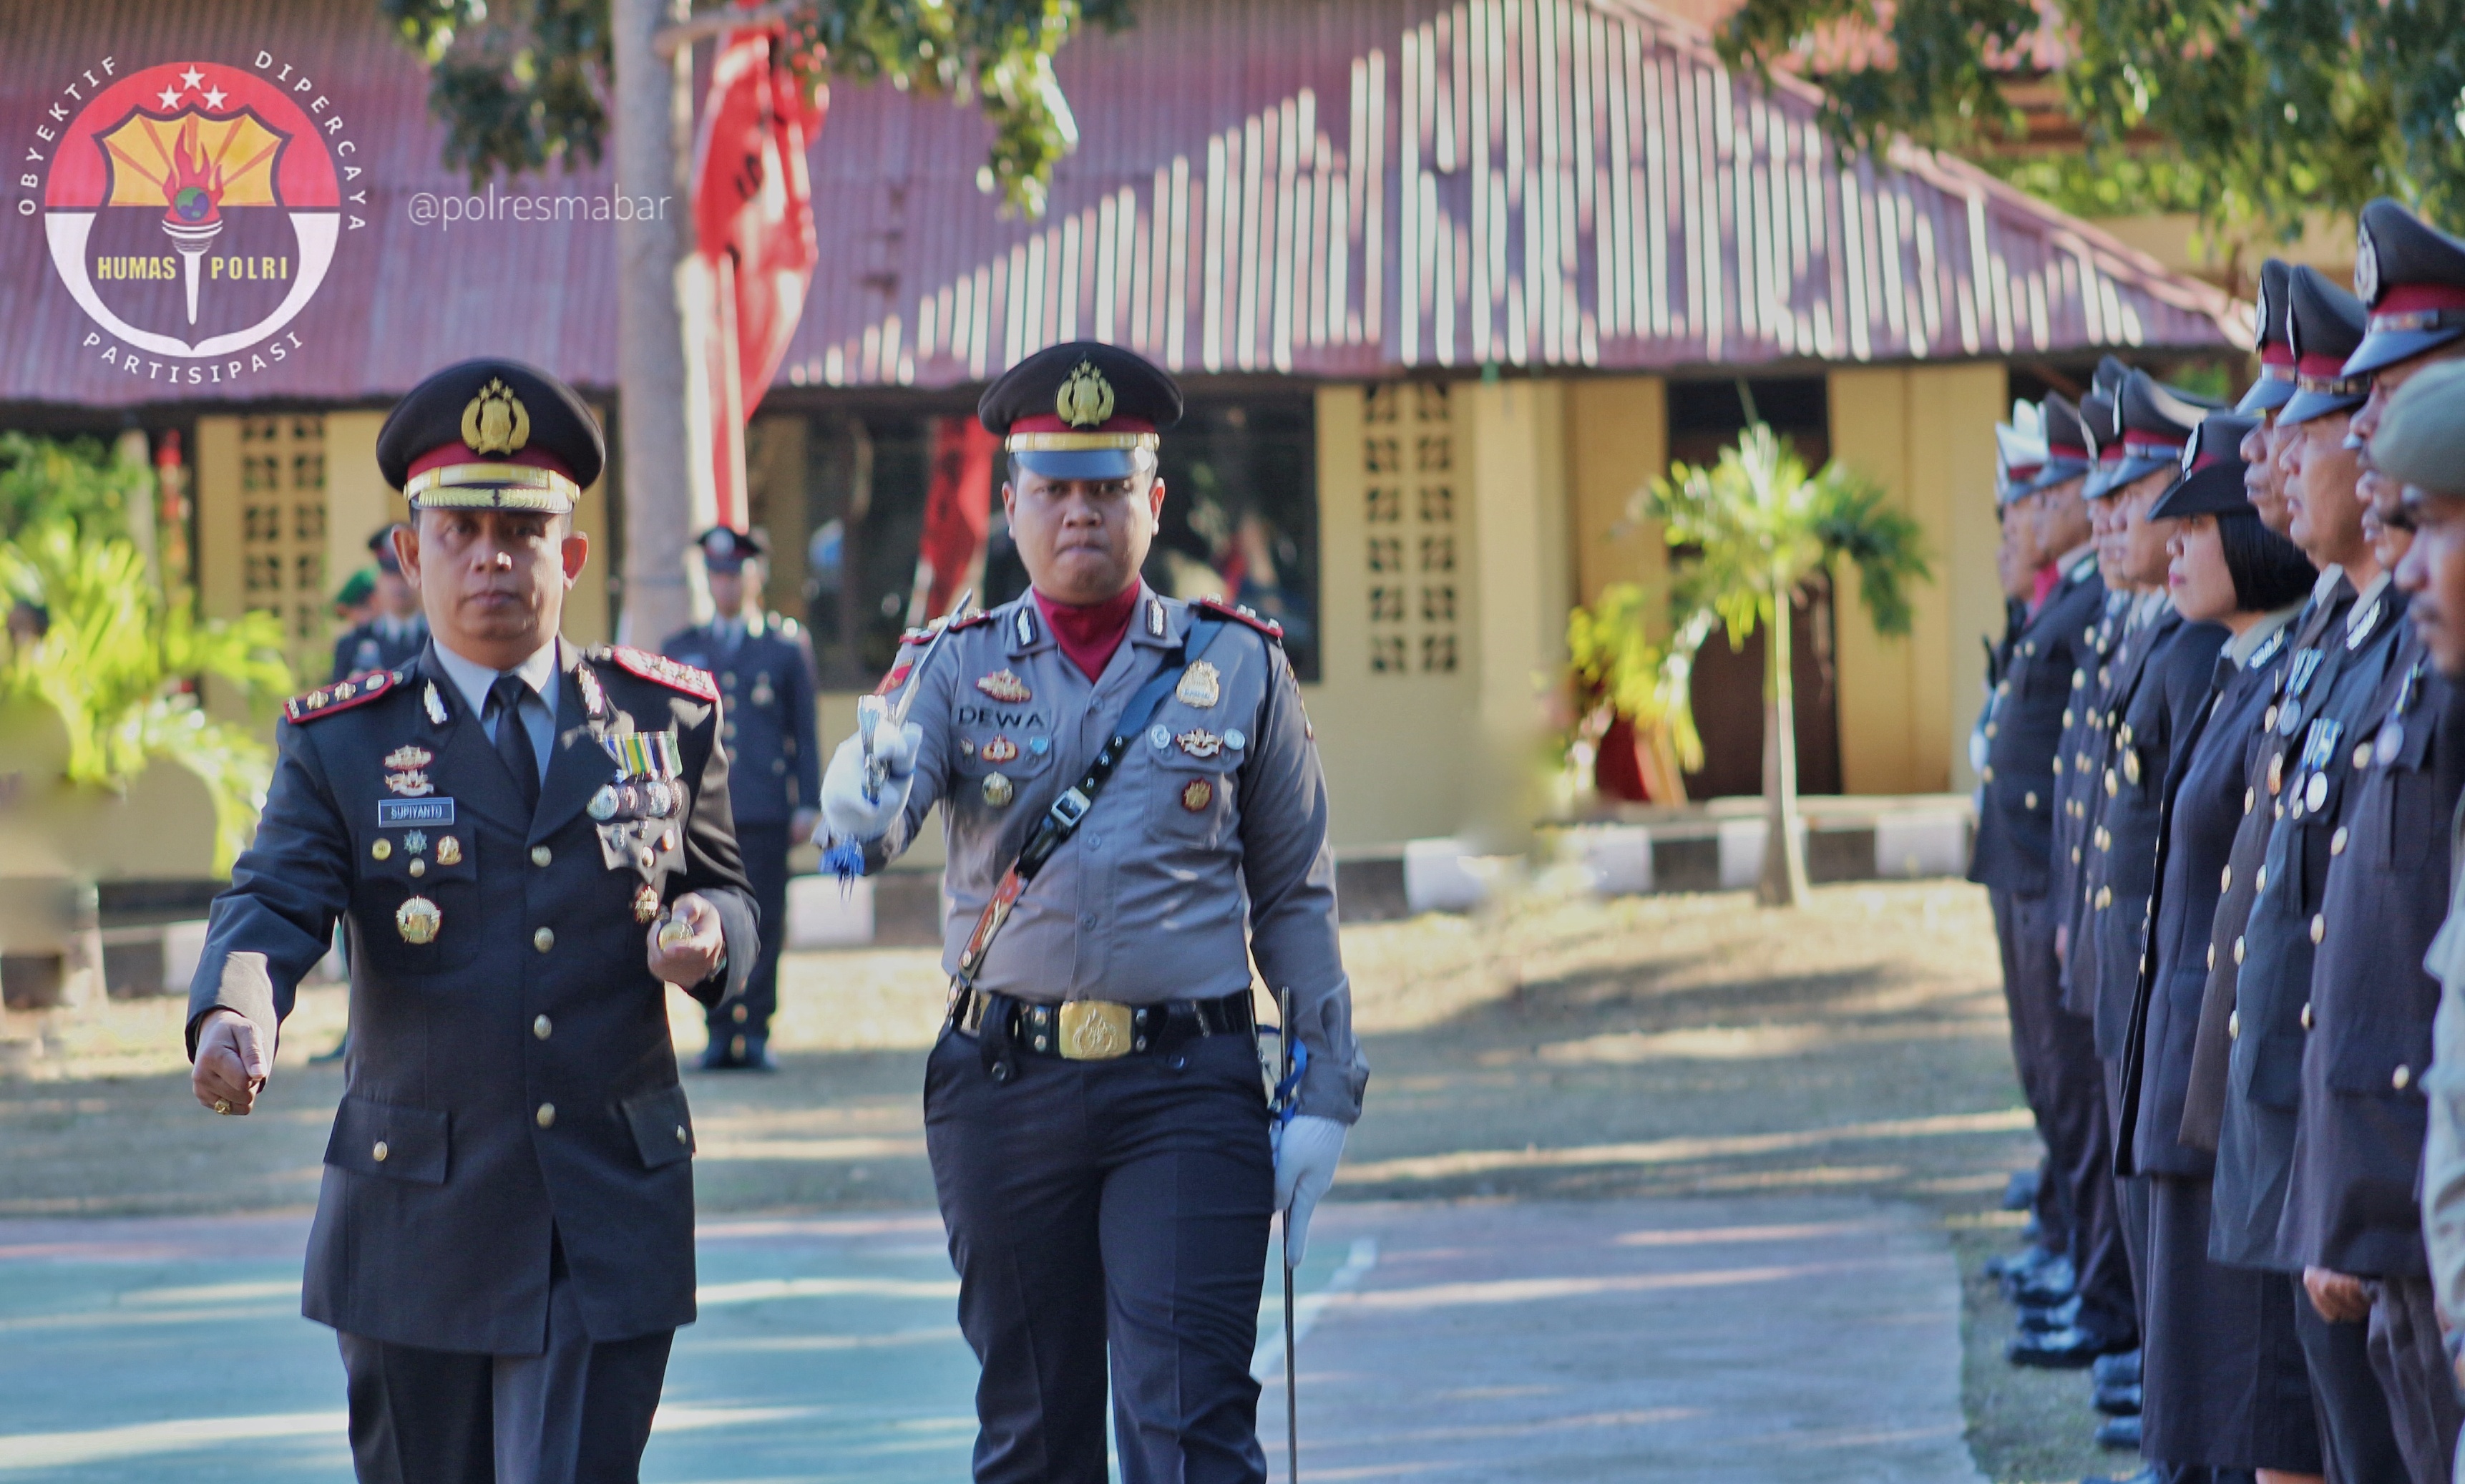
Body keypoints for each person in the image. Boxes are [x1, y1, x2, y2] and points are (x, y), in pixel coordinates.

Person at [185, 357, 758, 1484]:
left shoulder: (664, 717)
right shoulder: (345, 740)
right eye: (459, 530)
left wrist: (710, 933)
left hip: (605, 1200)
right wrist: (232, 1011)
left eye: (521, 529)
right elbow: (271, 898)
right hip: (417, 1216)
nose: (492, 555)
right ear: (410, 552)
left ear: (571, 553)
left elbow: (732, 890)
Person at [818, 339, 1366, 1484]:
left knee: (1189, 1426)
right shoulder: (953, 668)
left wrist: (1323, 1086)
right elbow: (883, 809)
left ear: (1153, 503)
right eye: (1055, 488)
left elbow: (1295, 897)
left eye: (1109, 488)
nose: (1082, 513)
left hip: (1187, 1090)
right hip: (1004, 1089)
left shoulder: (1241, 666)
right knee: (1031, 1431)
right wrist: (857, 800)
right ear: (1010, 504)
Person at [2209, 259, 2413, 1484]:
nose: (2262, 456)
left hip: (2372, 1148)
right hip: (2310, 1119)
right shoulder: (2346, 631)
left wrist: (2359, 1178)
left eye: (2303, 422)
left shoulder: (2406, 639)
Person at [2117, 411, 2323, 1484]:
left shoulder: (2280, 674)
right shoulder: (2240, 670)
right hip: (2192, 1067)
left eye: (2198, 524)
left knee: (2244, 1396)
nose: (2174, 546)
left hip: (2232, 1071)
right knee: (2196, 1390)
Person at [663, 526, 821, 1070]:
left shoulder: (784, 646)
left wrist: (808, 802)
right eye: (717, 574)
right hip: (700, 814)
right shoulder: (682, 648)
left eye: (735, 573)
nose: (725, 584)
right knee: (702, 913)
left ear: (756, 576)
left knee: (764, 919)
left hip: (762, 807)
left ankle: (755, 1030)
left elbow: (803, 730)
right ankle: (716, 1028)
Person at [331, 523, 429, 682]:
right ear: (378, 581)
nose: (398, 585)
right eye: (390, 575)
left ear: (419, 576)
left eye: (404, 574)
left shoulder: (441, 641)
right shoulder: (352, 647)